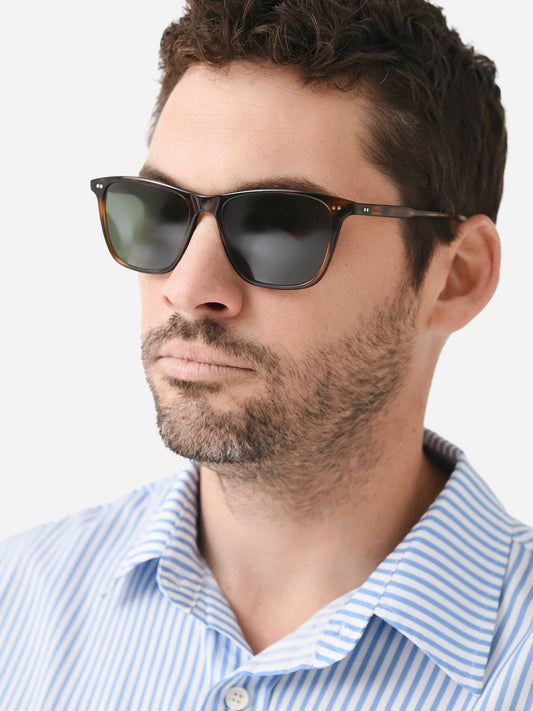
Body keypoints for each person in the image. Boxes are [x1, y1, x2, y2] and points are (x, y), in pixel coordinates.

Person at [1, 0, 531, 708]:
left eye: (280, 225)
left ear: (456, 277)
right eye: (161, 211)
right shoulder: (17, 608)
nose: (188, 289)